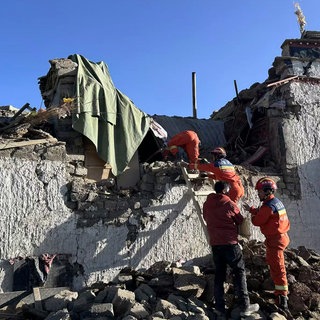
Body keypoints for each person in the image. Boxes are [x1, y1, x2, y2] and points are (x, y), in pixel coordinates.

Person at [203, 181, 259, 319]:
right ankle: (245, 306)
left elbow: (206, 217)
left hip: (216, 244)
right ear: (226, 191)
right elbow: (239, 220)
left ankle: (219, 309)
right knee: (239, 272)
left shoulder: (207, 204)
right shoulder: (229, 204)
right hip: (230, 244)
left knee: (219, 275)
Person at [243, 177, 290, 311]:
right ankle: (277, 290)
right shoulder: (275, 202)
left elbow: (258, 221)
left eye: (260, 191)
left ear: (267, 191)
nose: (258, 194)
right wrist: (252, 209)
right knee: (272, 262)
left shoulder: (268, 206)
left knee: (278, 267)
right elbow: (265, 214)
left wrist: (252, 216)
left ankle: (282, 297)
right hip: (279, 237)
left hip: (276, 240)